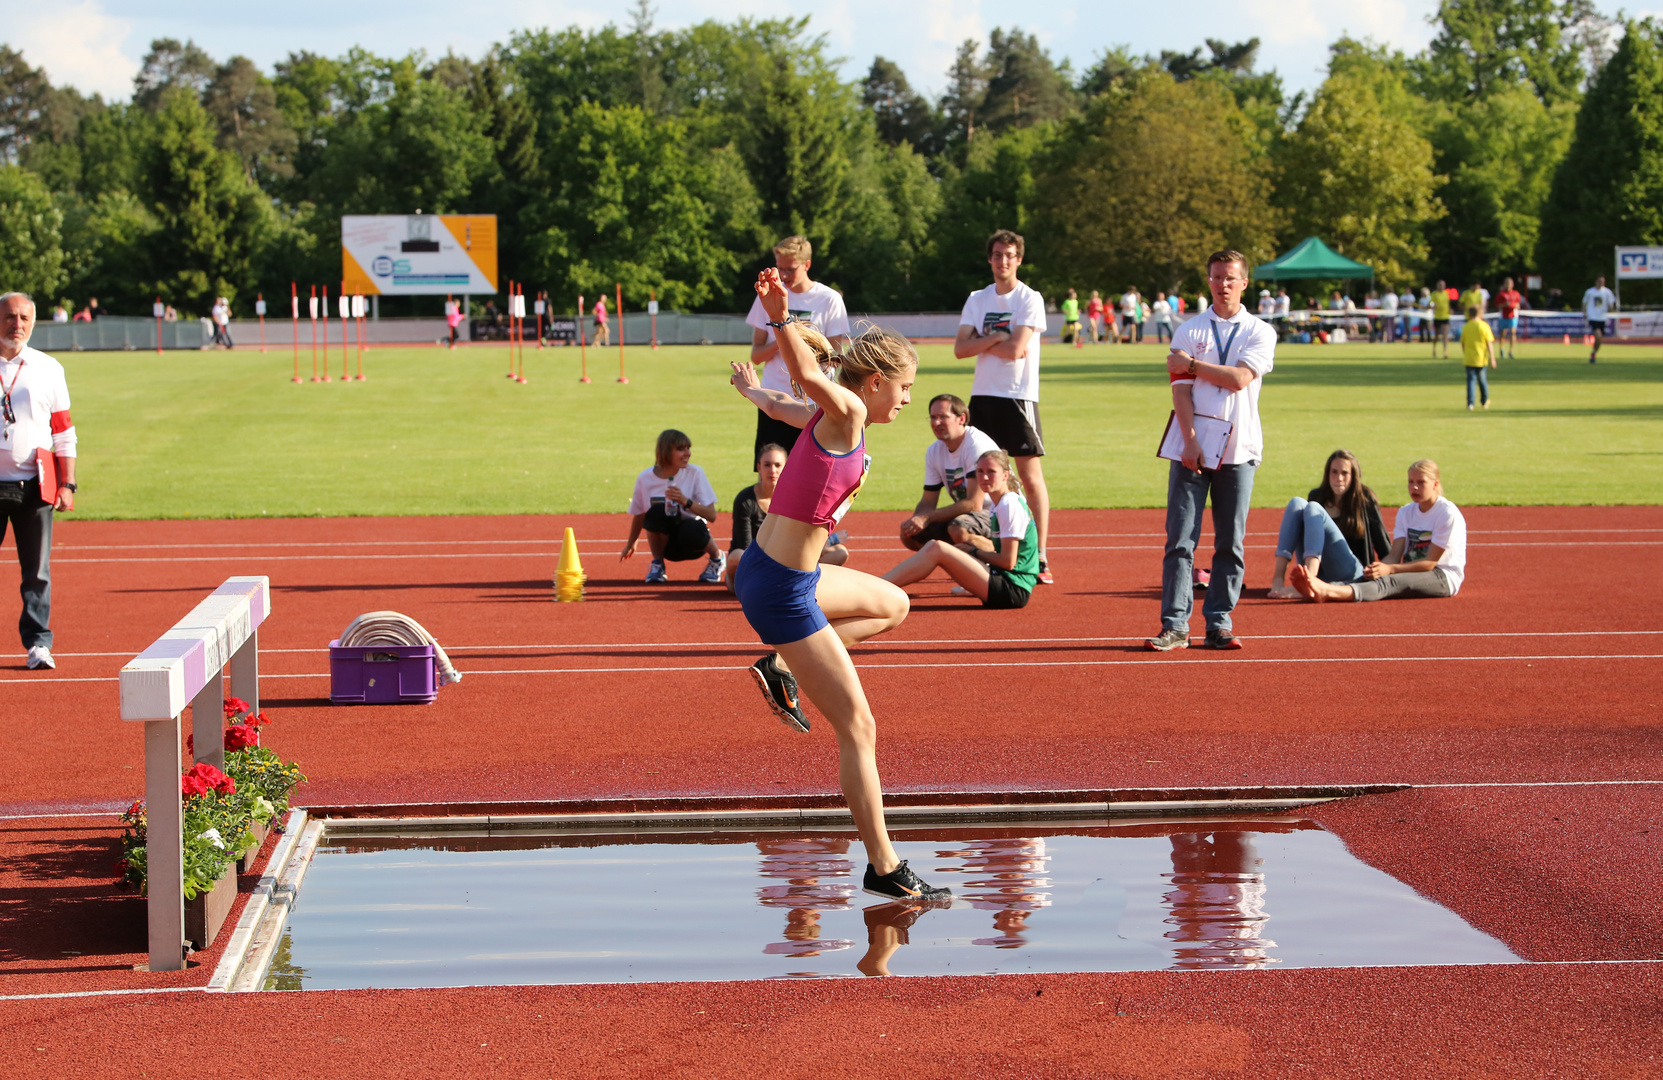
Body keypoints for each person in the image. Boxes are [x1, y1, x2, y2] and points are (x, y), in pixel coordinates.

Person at [732, 265, 949, 903]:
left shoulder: (823, 418)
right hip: (782, 589)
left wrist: (757, 391)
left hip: (780, 574)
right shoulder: (849, 411)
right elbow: (804, 378)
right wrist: (778, 320)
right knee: (859, 727)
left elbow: (781, 400)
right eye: (905, 388)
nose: (908, 400)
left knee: (894, 602)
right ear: (875, 381)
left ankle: (782, 666)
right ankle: (884, 867)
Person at [1146, 249, 1276, 652]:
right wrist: (1189, 441)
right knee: (1180, 541)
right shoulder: (1188, 331)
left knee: (1229, 543)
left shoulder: (1260, 331)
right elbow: (1180, 392)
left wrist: (1193, 366)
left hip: (1240, 450)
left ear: (1244, 283)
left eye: (1231, 278)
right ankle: (1175, 625)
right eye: (1217, 277)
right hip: (1192, 449)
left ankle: (1219, 622)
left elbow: (1239, 378)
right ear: (1208, 281)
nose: (1223, 285)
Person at [956, 229, 1054, 585]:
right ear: (989, 258)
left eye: (1009, 255)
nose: (1003, 261)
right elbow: (960, 349)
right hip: (983, 395)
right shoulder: (977, 299)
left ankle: (1039, 554)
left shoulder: (1029, 298)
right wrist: (998, 336)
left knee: (1028, 477)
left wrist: (983, 342)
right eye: (997, 255)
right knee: (981, 479)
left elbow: (1017, 351)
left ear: (1019, 259)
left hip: (1018, 395)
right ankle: (986, 553)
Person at [0, 293, 76, 670]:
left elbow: (63, 431)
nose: (18, 324)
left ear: (34, 321)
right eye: (10, 316)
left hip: (35, 485)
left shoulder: (48, 368)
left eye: (24, 317)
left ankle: (38, 644)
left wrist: (68, 483)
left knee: (37, 572)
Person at [1291, 460, 1466, 603]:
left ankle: (1329, 591)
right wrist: (1378, 568)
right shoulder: (1406, 512)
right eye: (1411, 482)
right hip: (1412, 571)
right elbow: (1395, 554)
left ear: (1435, 484)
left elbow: (1430, 563)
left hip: (1442, 576)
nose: (1414, 487)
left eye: (1421, 483)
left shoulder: (1446, 514)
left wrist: (1390, 569)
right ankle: (1319, 587)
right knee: (1373, 577)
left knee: (1390, 582)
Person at [881, 449, 1038, 610]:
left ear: (1005, 475)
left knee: (937, 548)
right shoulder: (1000, 503)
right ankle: (880, 586)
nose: (984, 477)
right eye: (980, 471)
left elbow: (1008, 562)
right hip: (1005, 580)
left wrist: (973, 552)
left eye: (991, 472)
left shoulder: (1008, 505)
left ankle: (879, 588)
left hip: (1012, 589)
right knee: (937, 547)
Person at [744, 235, 851, 464]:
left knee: (812, 470)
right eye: (780, 268)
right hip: (772, 399)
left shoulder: (828, 299)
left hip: (814, 403)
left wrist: (799, 341)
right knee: (772, 474)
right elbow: (756, 355)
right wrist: (785, 334)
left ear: (807, 265)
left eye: (790, 269)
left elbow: (835, 356)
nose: (783, 276)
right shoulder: (769, 295)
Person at [724, 440, 847, 591]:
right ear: (759, 468)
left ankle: (795, 586)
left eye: (777, 465)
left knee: (839, 553)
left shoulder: (797, 497)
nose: (772, 470)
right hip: (754, 560)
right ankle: (738, 584)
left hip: (786, 558)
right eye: (767, 465)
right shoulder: (745, 500)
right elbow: (745, 545)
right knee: (736, 556)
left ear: (787, 468)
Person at [1267, 450, 1389, 598]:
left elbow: (1383, 547)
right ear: (1327, 474)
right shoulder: (1317, 496)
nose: (1339, 478)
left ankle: (1309, 582)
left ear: (1354, 476)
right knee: (1297, 503)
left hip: (1352, 573)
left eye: (1345, 473)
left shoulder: (1365, 500)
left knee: (1313, 508)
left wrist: (1388, 572)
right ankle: (1278, 578)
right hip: (1322, 571)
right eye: (1334, 472)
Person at [620, 428, 723, 584]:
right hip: (666, 543)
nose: (688, 453)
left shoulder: (695, 473)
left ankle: (717, 559)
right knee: (655, 512)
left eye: (688, 448)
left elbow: (711, 515)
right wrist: (631, 543)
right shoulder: (645, 478)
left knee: (692, 527)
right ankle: (658, 564)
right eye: (681, 449)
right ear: (666, 451)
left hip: (692, 540)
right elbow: (640, 514)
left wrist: (685, 501)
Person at [896, 393, 997, 552]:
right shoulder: (935, 451)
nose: (936, 423)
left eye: (943, 417)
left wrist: (927, 518)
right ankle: (967, 561)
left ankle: (1003, 555)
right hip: (971, 516)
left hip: (1000, 514)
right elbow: (928, 501)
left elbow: (974, 503)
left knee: (959, 528)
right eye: (933, 417)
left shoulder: (975, 445)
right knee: (910, 535)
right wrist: (916, 521)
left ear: (961, 419)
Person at [1460, 305, 1497, 410]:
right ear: (1480, 314)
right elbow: (1489, 343)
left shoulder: (1466, 326)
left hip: (1469, 358)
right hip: (1481, 358)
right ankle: (1484, 401)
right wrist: (1492, 358)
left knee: (1471, 381)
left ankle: (1470, 403)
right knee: (1482, 381)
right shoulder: (1484, 326)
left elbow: (1463, 343)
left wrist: (1465, 353)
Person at [1583, 275, 1617, 363]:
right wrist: (1585, 313)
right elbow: (1584, 303)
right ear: (1596, 282)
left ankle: (1594, 353)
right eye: (1599, 281)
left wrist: (1612, 308)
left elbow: (1611, 303)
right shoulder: (1590, 292)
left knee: (1599, 339)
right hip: (1593, 316)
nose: (1600, 283)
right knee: (1598, 335)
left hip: (1602, 317)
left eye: (1602, 281)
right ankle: (1594, 353)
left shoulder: (1607, 292)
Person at [1495, 277, 1523, 360]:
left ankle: (1511, 351)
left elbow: (1518, 305)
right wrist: (1504, 305)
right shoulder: (1501, 294)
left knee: (1513, 332)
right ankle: (1501, 348)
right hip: (1503, 316)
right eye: (1506, 283)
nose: (1508, 285)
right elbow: (1497, 306)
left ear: (1512, 284)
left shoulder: (1516, 293)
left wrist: (1515, 306)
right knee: (1503, 333)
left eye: (1509, 283)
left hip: (1513, 316)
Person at [1430, 280, 1452, 357]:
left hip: (1445, 316)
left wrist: (1450, 309)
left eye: (1442, 285)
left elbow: (1448, 303)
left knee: (1445, 335)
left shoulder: (1446, 294)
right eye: (1440, 285)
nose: (1441, 286)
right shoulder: (1434, 294)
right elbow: (1430, 304)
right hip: (1437, 317)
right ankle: (1434, 349)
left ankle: (1445, 352)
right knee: (1437, 336)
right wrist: (1433, 307)